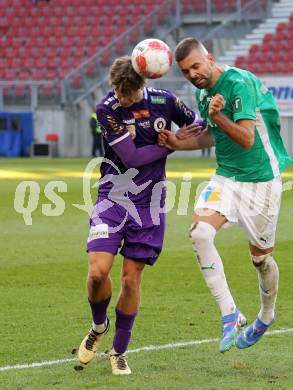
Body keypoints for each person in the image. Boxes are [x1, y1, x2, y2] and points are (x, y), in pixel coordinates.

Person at [159, 38, 293, 353]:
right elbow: (213, 134)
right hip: (226, 178)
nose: (192, 74)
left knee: (261, 260)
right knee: (200, 233)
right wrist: (178, 144)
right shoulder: (203, 92)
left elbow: (246, 138)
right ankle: (230, 313)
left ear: (210, 58)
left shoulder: (239, 83)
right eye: (185, 71)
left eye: (195, 66)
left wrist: (218, 117)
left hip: (261, 180)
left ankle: (266, 315)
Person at [78, 55, 203, 375]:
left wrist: (196, 127)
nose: (123, 100)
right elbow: (133, 157)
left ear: (142, 85)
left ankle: (119, 351)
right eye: (119, 93)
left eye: (129, 96)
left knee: (131, 281)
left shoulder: (166, 101)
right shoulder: (107, 108)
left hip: (150, 203)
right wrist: (170, 146)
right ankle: (98, 325)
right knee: (97, 273)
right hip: (113, 198)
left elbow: (198, 125)